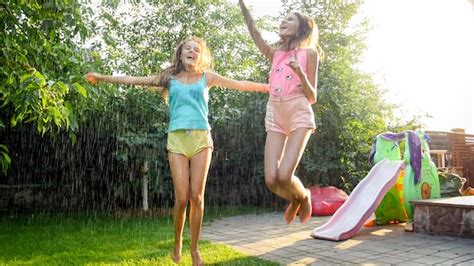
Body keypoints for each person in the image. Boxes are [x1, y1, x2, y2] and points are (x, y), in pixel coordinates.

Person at [85, 36, 267, 266]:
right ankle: (177, 240)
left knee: (197, 197)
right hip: (177, 140)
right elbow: (134, 79)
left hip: (201, 138)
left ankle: (195, 249)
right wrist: (102, 77)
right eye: (187, 49)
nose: (192, 51)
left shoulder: (207, 77)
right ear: (180, 55)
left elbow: (239, 84)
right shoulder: (169, 78)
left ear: (201, 56)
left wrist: (269, 87)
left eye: (196, 49)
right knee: (181, 198)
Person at [239, 0, 321, 224]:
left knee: (285, 175)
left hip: (299, 110)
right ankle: (294, 199)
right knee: (271, 179)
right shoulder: (274, 54)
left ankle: (304, 196)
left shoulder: (309, 53)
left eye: (290, 19)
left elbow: (312, 96)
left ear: (302, 27)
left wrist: (300, 73)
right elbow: (254, 32)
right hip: (275, 110)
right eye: (283, 18)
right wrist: (243, 7)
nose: (284, 21)